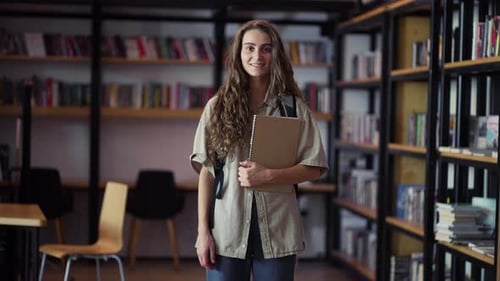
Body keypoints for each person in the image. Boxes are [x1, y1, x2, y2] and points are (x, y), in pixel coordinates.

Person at [190, 19, 328, 281]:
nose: (257, 56)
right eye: (249, 48)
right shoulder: (216, 107)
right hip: (225, 233)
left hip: (277, 232)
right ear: (238, 53)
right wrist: (202, 232)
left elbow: (314, 166)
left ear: (276, 54)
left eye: (266, 49)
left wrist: (268, 176)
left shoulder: (293, 108)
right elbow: (207, 173)